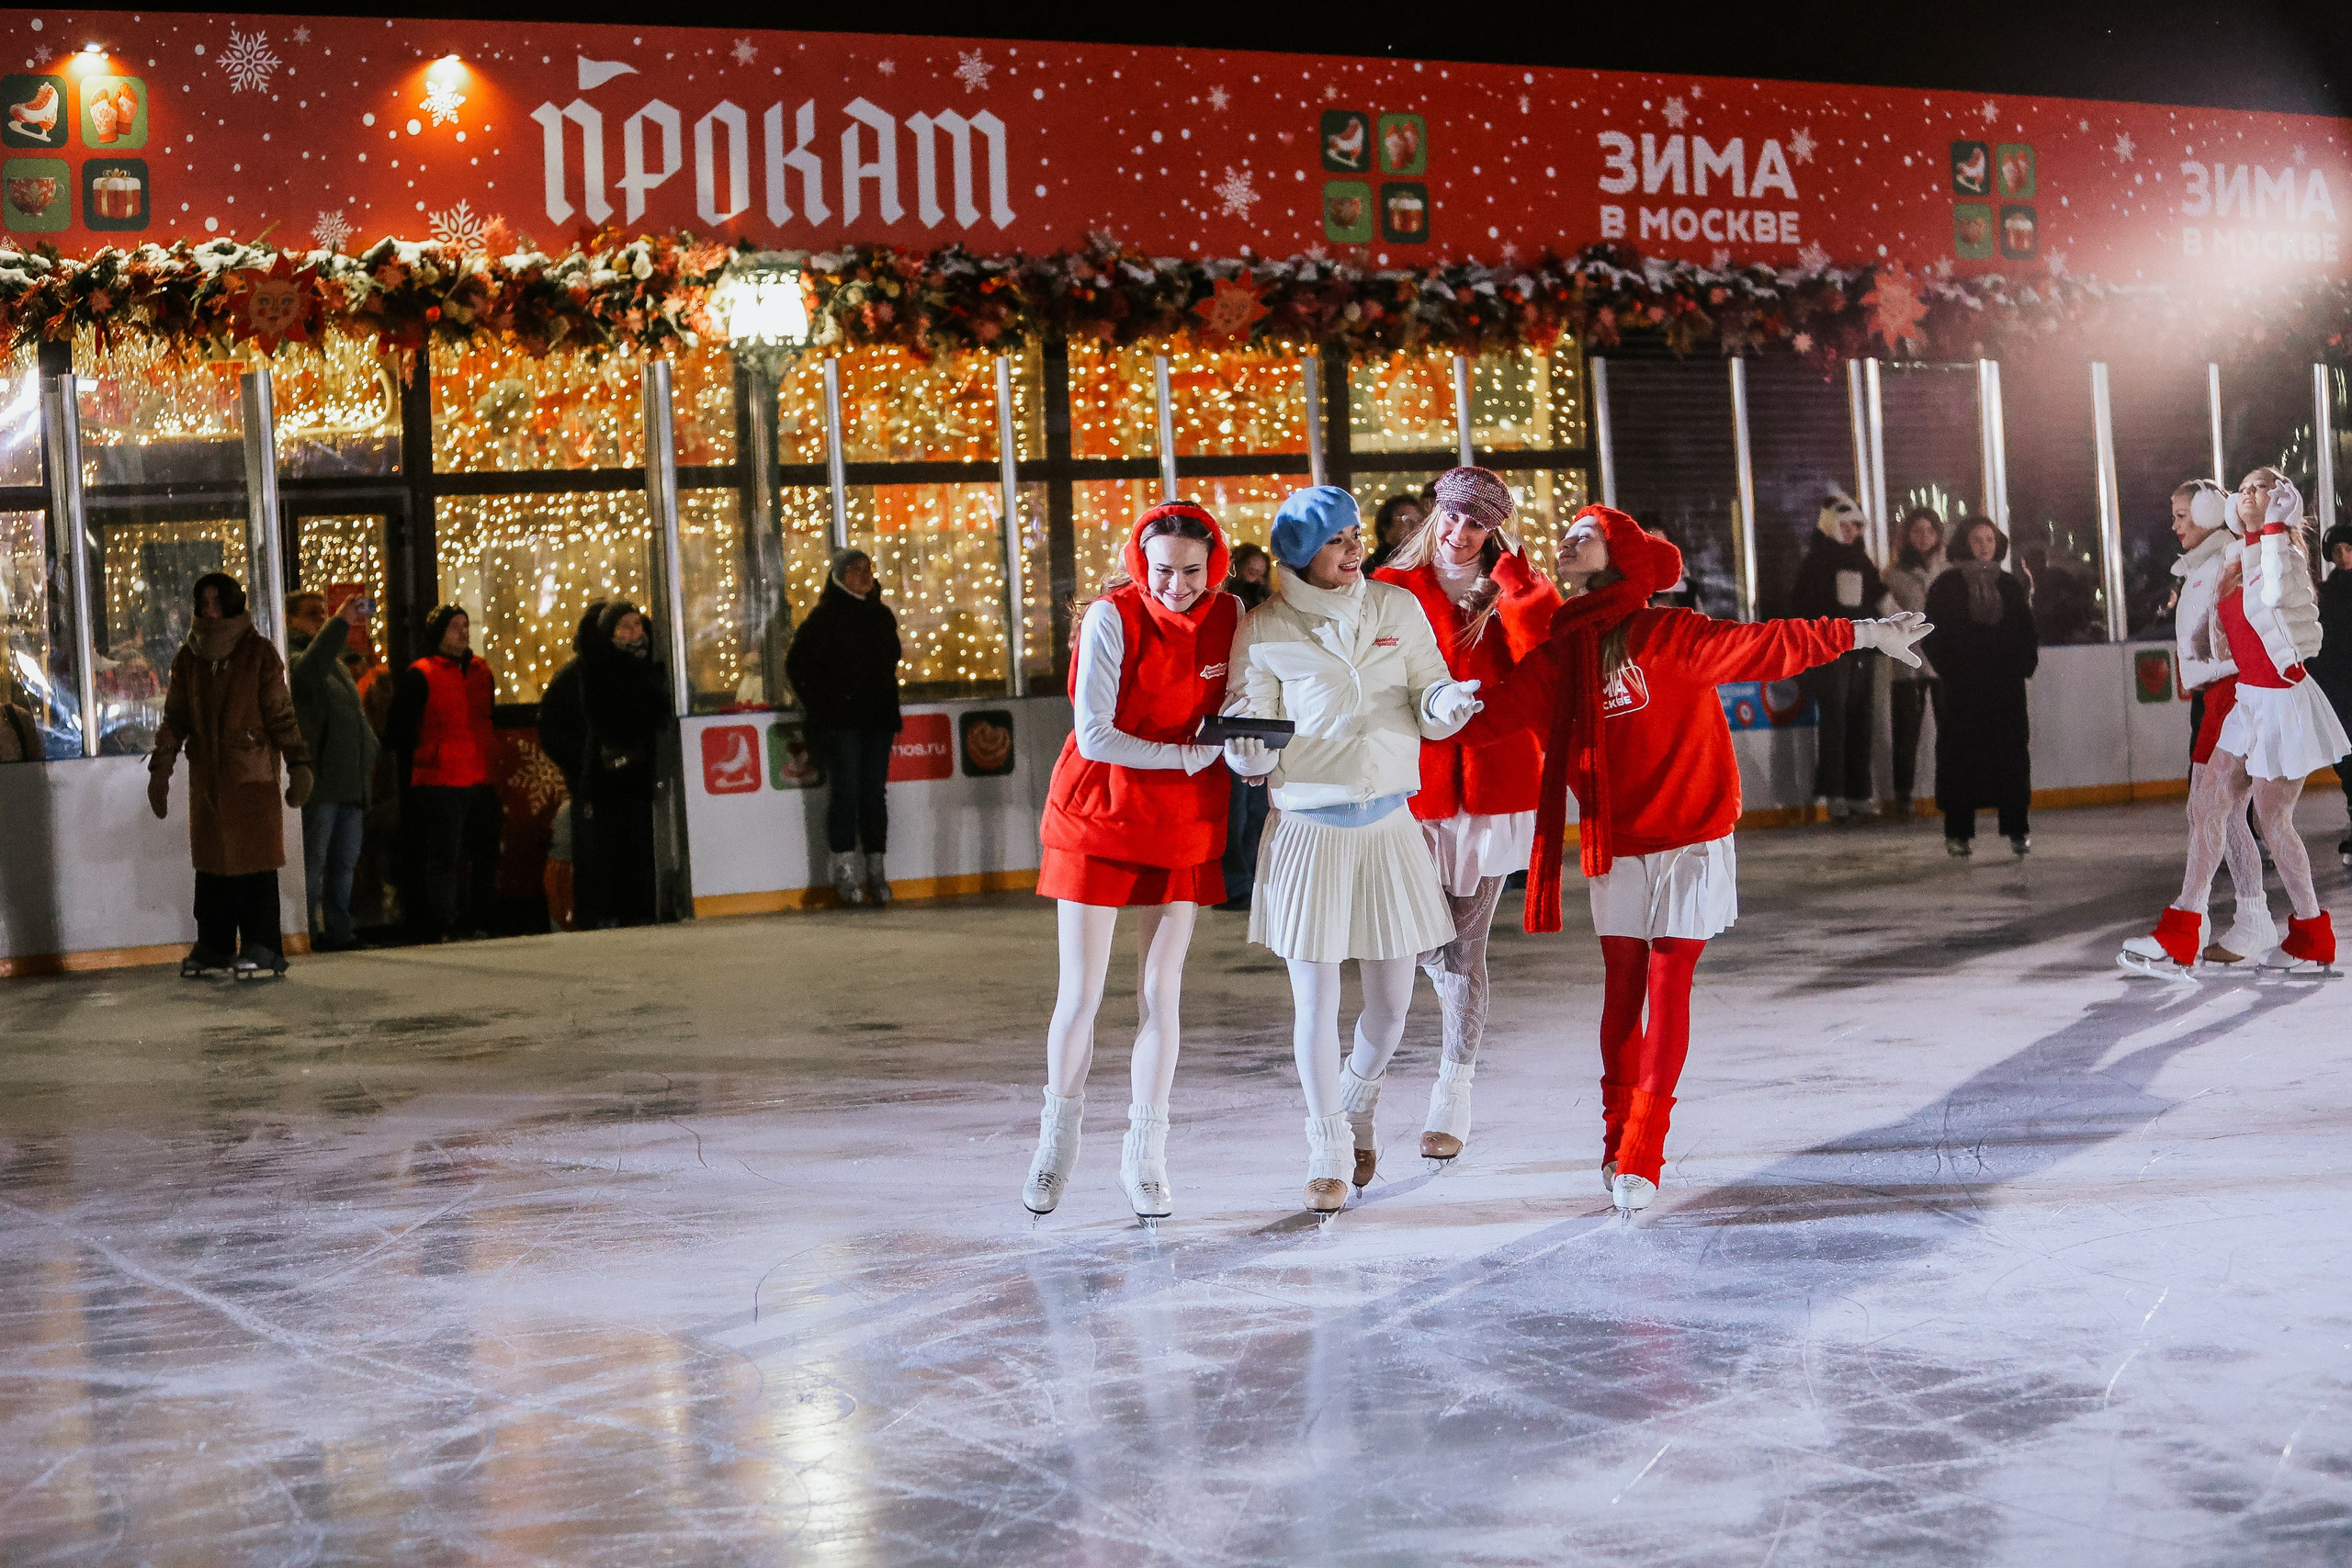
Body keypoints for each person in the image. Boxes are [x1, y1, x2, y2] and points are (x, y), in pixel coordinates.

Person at [1458, 506, 1929, 1212]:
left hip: (1692, 840)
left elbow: (1773, 643)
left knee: (1668, 984)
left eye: (1584, 535)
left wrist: (1867, 632)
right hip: (1618, 843)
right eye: (1569, 534)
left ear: (1616, 558)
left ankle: (1644, 1150)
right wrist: (1411, 708)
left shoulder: (1670, 633)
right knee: (1624, 986)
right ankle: (1617, 1139)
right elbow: (1483, 721)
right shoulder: (1558, 657)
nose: (1566, 540)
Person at [1226, 485, 1484, 1213]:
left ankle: (1356, 1095)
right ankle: (1327, 1143)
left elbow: (1428, 696)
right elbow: (1250, 723)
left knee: (1393, 1007)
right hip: (1309, 831)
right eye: (1338, 541)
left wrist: (1447, 705)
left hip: (1389, 828)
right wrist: (1247, 760)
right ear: (1305, 555)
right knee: (1315, 1004)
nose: (1354, 549)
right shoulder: (1265, 626)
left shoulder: (1395, 609)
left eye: (1352, 536)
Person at [1023, 502, 1242, 1222]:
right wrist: (1186, 754)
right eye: (1163, 571)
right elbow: (1094, 733)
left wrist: (1251, 748)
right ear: (1138, 563)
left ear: (1214, 565)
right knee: (1080, 992)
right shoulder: (1109, 617)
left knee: (1161, 990)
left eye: (1191, 571)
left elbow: (1240, 704)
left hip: (1182, 819)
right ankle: (1056, 1140)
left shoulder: (1231, 615)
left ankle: (1145, 1152)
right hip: (1102, 809)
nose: (1177, 585)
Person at [1372, 466, 1561, 1161]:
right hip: (1414, 789)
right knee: (1419, 943)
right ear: (1433, 516)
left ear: (1494, 533)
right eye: (1450, 519)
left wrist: (1519, 586)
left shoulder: (1508, 590)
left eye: (1475, 525)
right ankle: (1399, 1085)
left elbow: (1544, 662)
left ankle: (1454, 1091)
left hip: (1493, 788)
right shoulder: (1390, 589)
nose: (1458, 535)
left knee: (1465, 951)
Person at [2121, 472, 2346, 977]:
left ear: (2281, 501)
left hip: (2282, 704)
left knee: (2273, 821)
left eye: (2260, 489)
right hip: (2248, 702)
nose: (2246, 495)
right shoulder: (2240, 554)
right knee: (2206, 807)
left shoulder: (2281, 557)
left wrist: (2269, 530)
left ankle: (2311, 933)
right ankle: (2182, 932)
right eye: (2242, 489)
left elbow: (2272, 599)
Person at [147, 573, 314, 978]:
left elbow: (280, 714)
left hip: (251, 780)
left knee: (254, 867)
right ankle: (215, 945)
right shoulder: (189, 659)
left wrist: (298, 763)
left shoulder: (258, 654)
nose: (210, 610)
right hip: (208, 782)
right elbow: (176, 718)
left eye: (217, 601)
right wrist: (161, 768)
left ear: (233, 603)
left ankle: (263, 947)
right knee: (212, 869)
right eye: (203, 602)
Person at [2162, 480, 2272, 964]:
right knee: (2209, 812)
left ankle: (2203, 921)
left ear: (2209, 513)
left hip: (2235, 694)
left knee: (2218, 811)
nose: (2174, 525)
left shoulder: (2227, 560)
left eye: (2183, 514)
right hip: (2215, 696)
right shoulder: (2203, 565)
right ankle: (2248, 921)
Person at [785, 549, 902, 907]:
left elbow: (891, 657)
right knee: (846, 793)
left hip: (877, 719)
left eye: (868, 569)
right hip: (842, 722)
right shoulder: (823, 619)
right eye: (855, 570)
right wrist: (824, 705)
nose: (864, 575)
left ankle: (876, 868)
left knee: (873, 794)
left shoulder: (880, 615)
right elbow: (797, 668)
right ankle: (845, 872)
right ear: (838, 576)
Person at [1921, 519, 2038, 857]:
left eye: (1990, 539)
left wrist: (2021, 664)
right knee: (1960, 757)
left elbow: (2026, 632)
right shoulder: (1947, 585)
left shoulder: (2010, 585)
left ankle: (2017, 827)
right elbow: (1932, 632)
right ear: (1964, 543)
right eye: (1977, 539)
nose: (1985, 545)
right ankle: (1959, 832)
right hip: (1963, 689)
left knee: (2012, 756)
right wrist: (1951, 669)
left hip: (2005, 688)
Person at [387, 604, 503, 942]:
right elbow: (399, 728)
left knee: (485, 853)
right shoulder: (421, 674)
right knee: (443, 856)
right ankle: (444, 923)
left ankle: (479, 918)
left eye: (465, 626)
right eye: (455, 626)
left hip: (480, 775)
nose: (463, 632)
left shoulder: (482, 670)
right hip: (441, 779)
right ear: (438, 633)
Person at [287, 589, 379, 952]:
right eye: (311, 614)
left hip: (348, 783)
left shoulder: (336, 665)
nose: (320, 620)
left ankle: (339, 931)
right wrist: (341, 622)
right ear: (290, 620)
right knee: (314, 863)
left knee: (344, 863)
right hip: (322, 783)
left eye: (323, 614)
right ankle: (306, 932)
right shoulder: (293, 658)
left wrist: (369, 750)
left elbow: (353, 718)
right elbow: (307, 675)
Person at [1791, 493, 1885, 819]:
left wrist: (1904, 624)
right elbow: (1801, 608)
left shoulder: (1862, 561)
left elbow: (1880, 595)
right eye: (1845, 526)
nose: (1851, 532)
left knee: (1862, 719)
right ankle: (1835, 793)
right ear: (1830, 525)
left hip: (1863, 651)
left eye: (1856, 527)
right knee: (1836, 722)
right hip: (1831, 654)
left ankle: (1860, 793)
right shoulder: (1817, 561)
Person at [577, 599, 669, 927]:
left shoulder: (654, 664)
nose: (634, 632)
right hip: (613, 774)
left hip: (643, 770)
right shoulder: (601, 668)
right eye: (625, 627)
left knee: (641, 841)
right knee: (614, 843)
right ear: (611, 633)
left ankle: (639, 906)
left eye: (637, 624)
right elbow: (606, 720)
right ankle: (612, 910)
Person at [536, 602, 606, 929]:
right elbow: (550, 726)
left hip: (602, 779)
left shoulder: (601, 670)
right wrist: (581, 762)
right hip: (589, 781)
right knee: (585, 850)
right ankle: (583, 917)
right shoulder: (575, 676)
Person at [1215, 543, 1274, 910]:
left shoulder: (1265, 607)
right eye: (1249, 570)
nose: (1255, 576)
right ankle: (1234, 882)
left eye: (1260, 570)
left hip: (1256, 713)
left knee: (1255, 809)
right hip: (1232, 715)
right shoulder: (1233, 608)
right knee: (1236, 812)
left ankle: (1250, 877)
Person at [1881, 507, 1947, 818]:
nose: (1923, 537)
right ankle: (1903, 794)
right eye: (1917, 531)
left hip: (1942, 659)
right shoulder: (1892, 574)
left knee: (1949, 728)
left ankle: (1951, 788)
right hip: (1906, 661)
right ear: (1907, 535)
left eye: (1929, 531)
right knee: (1906, 730)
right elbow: (1887, 616)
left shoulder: (1946, 570)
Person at [2314, 522, 2352, 869]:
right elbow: (2317, 643)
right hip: (2338, 687)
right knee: (2346, 757)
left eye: (2349, 549)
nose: (2343, 556)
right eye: (2338, 551)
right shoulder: (2325, 594)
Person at [1365, 491, 1426, 572]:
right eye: (1406, 519)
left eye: (1419, 520)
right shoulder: (1374, 569)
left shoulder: (1425, 565)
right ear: (1385, 527)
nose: (1416, 526)